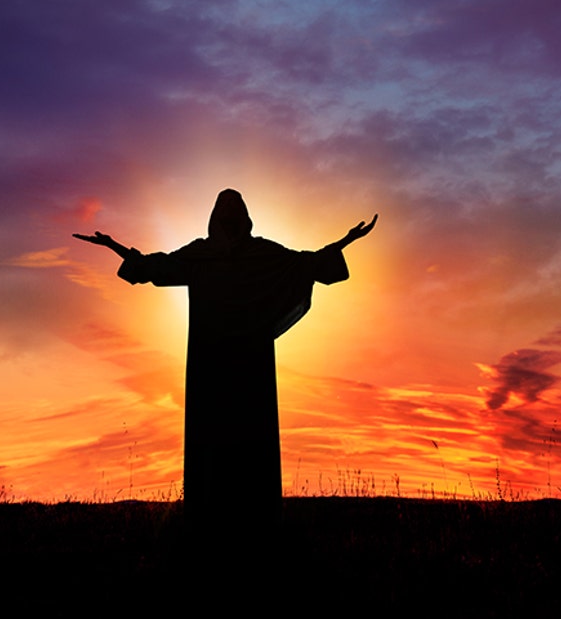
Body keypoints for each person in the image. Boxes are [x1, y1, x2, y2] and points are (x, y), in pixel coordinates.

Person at [74, 189, 376, 529]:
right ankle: (208, 522)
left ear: (244, 214)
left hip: (251, 364)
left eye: (236, 205)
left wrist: (346, 241)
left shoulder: (262, 254)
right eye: (225, 205)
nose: (230, 211)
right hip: (210, 364)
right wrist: (113, 245)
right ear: (217, 215)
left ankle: (257, 522)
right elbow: (152, 266)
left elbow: (307, 262)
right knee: (210, 441)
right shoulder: (199, 255)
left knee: (253, 439)